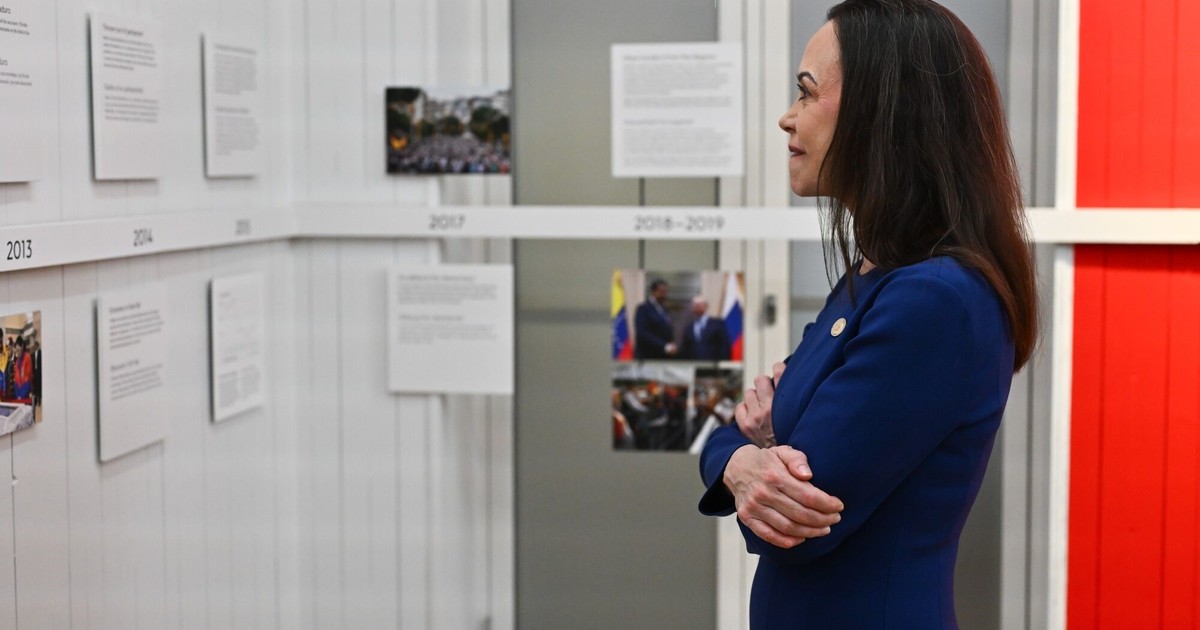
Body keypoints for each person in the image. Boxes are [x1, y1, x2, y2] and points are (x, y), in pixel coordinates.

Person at [697, 1, 1038, 627]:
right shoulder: (875, 277)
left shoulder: (933, 300)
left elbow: (796, 529)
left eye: (807, 92)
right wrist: (743, 461)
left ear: (883, 113)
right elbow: (735, 435)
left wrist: (754, 453)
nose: (787, 117)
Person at [633, 279, 678, 359]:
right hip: (648, 355)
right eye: (661, 291)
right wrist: (664, 346)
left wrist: (671, 345)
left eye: (666, 291)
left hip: (663, 355)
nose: (664, 294)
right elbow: (642, 333)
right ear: (653, 292)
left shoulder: (664, 309)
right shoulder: (643, 308)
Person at [680, 296, 730, 361]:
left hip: (713, 364)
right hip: (693, 364)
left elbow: (724, 346)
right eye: (695, 305)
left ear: (706, 306)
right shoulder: (689, 328)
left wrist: (724, 363)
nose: (697, 307)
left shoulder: (717, 324)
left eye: (700, 304)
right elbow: (685, 349)